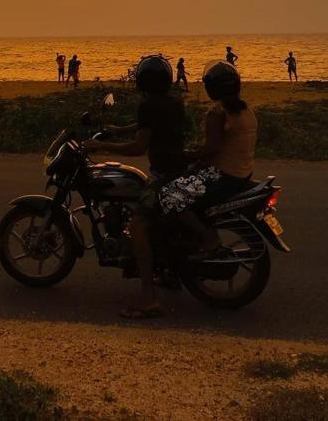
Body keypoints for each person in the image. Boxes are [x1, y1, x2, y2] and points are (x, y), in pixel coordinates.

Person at [84, 55, 187, 318]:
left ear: (143, 81)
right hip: (179, 169)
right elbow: (149, 128)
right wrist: (119, 130)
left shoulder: (147, 106)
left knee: (137, 226)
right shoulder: (174, 102)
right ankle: (169, 272)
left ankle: (149, 298)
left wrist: (102, 146)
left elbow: (139, 146)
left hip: (163, 174)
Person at [158, 60, 257, 256]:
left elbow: (210, 149)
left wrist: (184, 155)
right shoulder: (246, 110)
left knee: (168, 195)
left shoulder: (218, 112)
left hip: (222, 176)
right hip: (243, 173)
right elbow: (224, 145)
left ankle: (207, 237)